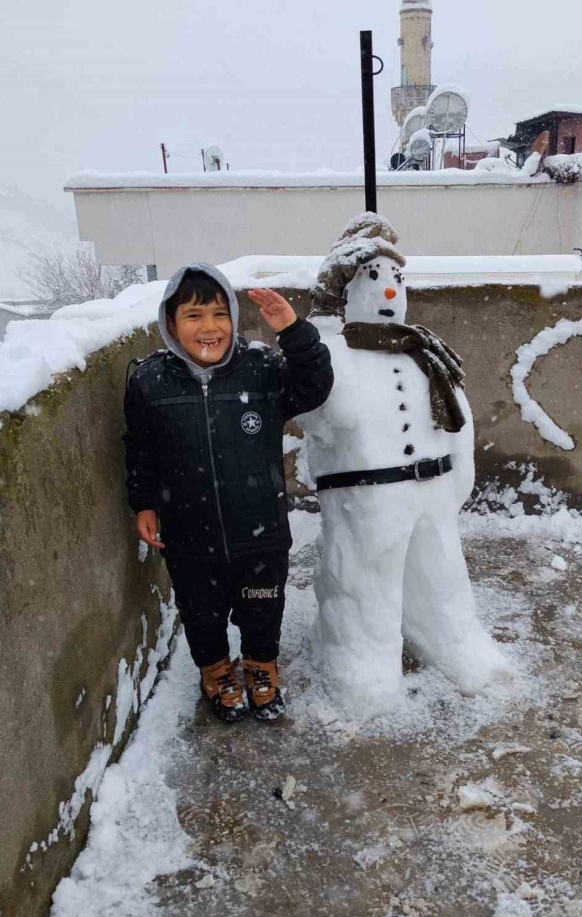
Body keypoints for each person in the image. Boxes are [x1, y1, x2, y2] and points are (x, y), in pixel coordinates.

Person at [296, 214, 511, 719]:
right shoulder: (336, 354)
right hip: (367, 504)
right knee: (365, 586)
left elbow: (458, 422)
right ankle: (361, 659)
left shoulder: (427, 354)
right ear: (345, 292)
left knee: (441, 578)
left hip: (431, 498)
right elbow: (318, 409)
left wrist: (458, 479)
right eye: (373, 280)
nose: (389, 293)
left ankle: (451, 636)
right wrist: (323, 321)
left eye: (397, 281)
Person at [123, 263, 333, 723]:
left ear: (234, 319)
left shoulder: (261, 369)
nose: (209, 327)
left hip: (260, 529)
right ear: (171, 324)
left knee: (262, 605)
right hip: (188, 533)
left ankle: (261, 667)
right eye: (194, 316)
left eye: (219, 314)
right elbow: (141, 449)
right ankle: (216, 671)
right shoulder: (148, 381)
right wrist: (144, 501)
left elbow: (315, 387)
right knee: (201, 613)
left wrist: (294, 333)